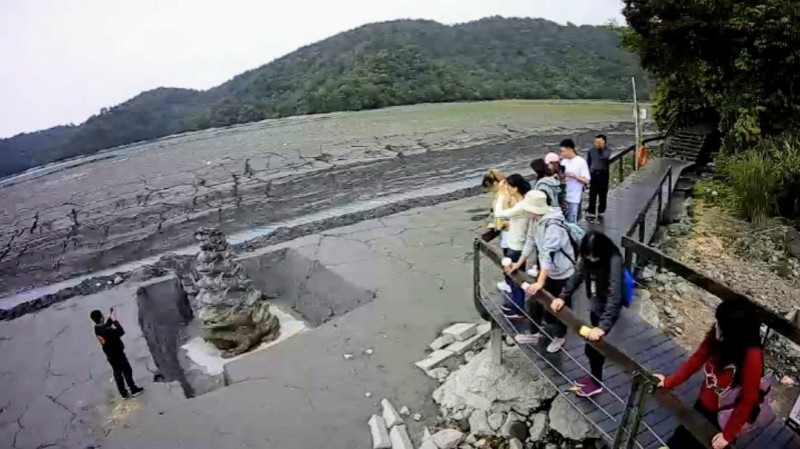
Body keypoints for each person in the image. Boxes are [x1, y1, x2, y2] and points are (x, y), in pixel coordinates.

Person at [655, 299, 764, 449]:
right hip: (703, 404)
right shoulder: (718, 333)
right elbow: (697, 359)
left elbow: (748, 399)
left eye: (720, 323)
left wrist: (728, 434)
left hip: (725, 417)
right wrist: (669, 382)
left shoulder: (752, 356)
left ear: (734, 331)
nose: (716, 326)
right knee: (680, 439)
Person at [499, 190, 577, 353]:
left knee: (560, 307)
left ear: (534, 210)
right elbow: (530, 242)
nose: (525, 211)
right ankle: (534, 333)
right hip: (547, 271)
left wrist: (540, 282)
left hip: (563, 273)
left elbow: (547, 254)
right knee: (534, 301)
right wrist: (517, 263)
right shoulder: (535, 221)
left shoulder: (553, 225)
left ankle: (559, 337)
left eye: (527, 209)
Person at [561, 230, 625, 397]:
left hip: (606, 308)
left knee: (594, 348)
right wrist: (563, 296)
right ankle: (594, 376)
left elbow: (614, 294)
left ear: (601, 253)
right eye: (587, 256)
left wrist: (603, 326)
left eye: (593, 256)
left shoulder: (614, 260)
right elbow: (578, 275)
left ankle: (597, 383)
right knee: (591, 347)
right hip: (595, 303)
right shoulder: (588, 258)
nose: (590, 259)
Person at [493, 174, 531, 318]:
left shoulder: (521, 206)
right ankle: (517, 305)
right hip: (521, 243)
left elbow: (499, 215)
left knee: (515, 279)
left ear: (515, 188)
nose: (506, 188)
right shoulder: (525, 201)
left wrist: (501, 196)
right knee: (515, 278)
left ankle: (519, 310)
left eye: (508, 186)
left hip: (516, 246)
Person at [91, 309, 144, 399]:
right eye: (102, 316)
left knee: (117, 373)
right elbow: (120, 331)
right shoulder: (108, 331)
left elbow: (105, 326)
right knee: (127, 370)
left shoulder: (97, 328)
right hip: (117, 353)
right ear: (100, 319)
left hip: (110, 354)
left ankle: (123, 393)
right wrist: (115, 321)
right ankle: (133, 389)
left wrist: (110, 319)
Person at [482, 169, 512, 294]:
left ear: (494, 184)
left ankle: (510, 284)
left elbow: (502, 217)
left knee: (508, 259)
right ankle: (509, 282)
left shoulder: (501, 196)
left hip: (509, 234)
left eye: (490, 188)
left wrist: (494, 225)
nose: (490, 192)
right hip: (511, 232)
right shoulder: (507, 190)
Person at [559, 139, 590, 223]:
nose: (562, 153)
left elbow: (587, 180)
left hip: (574, 198)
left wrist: (574, 175)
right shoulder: (563, 161)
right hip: (564, 197)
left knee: (572, 222)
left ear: (569, 149)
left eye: (563, 151)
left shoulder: (581, 162)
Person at [587, 134, 611, 220]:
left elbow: (605, 157)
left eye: (598, 141)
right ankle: (591, 212)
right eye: (595, 141)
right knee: (592, 193)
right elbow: (588, 163)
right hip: (593, 174)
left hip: (603, 174)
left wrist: (601, 148)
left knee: (603, 193)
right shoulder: (591, 151)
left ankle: (601, 211)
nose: (596, 143)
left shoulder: (607, 150)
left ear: (603, 141)